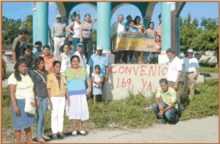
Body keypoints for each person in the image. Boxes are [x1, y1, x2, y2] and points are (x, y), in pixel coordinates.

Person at [8, 58, 36, 143]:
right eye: (22, 66)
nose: (24, 68)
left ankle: (29, 140)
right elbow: (12, 93)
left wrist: (36, 100)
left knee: (28, 122)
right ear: (17, 67)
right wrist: (15, 106)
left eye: (25, 66)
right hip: (19, 102)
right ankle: (19, 142)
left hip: (28, 102)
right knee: (18, 123)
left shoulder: (27, 75)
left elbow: (32, 88)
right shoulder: (13, 77)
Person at [63, 55, 91, 136]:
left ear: (79, 62)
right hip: (71, 94)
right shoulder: (66, 71)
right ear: (71, 62)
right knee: (73, 111)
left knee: (81, 110)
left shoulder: (83, 69)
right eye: (73, 61)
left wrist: (89, 88)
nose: (75, 63)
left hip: (81, 94)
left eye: (77, 61)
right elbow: (64, 83)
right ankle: (74, 129)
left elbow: (88, 79)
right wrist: (66, 94)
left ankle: (80, 128)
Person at [47, 61, 69, 139]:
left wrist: (68, 98)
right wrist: (49, 100)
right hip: (54, 97)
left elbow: (65, 88)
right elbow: (48, 89)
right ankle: (54, 132)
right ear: (53, 67)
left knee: (61, 115)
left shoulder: (63, 76)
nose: (58, 68)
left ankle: (60, 131)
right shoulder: (50, 76)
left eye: (59, 66)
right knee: (54, 115)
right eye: (56, 66)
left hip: (62, 97)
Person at [31, 57, 50, 143]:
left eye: (43, 63)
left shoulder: (46, 72)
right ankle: (38, 135)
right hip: (38, 96)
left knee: (43, 116)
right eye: (40, 63)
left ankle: (42, 133)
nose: (42, 64)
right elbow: (33, 87)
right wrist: (36, 99)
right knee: (40, 116)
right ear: (37, 64)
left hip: (45, 96)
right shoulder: (33, 73)